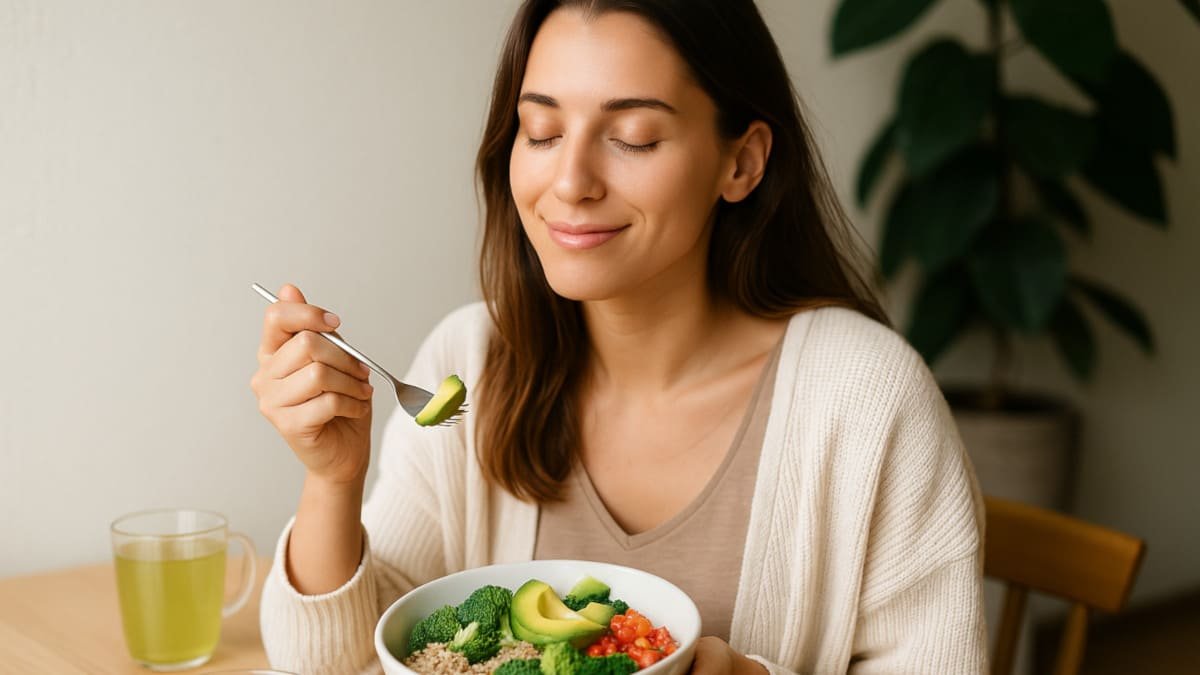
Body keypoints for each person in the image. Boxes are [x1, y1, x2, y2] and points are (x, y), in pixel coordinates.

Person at [249, 1, 988, 673]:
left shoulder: (867, 398)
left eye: (632, 137)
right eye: (541, 131)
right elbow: (340, 665)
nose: (570, 180)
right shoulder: (469, 361)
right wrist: (333, 480)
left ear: (742, 161)